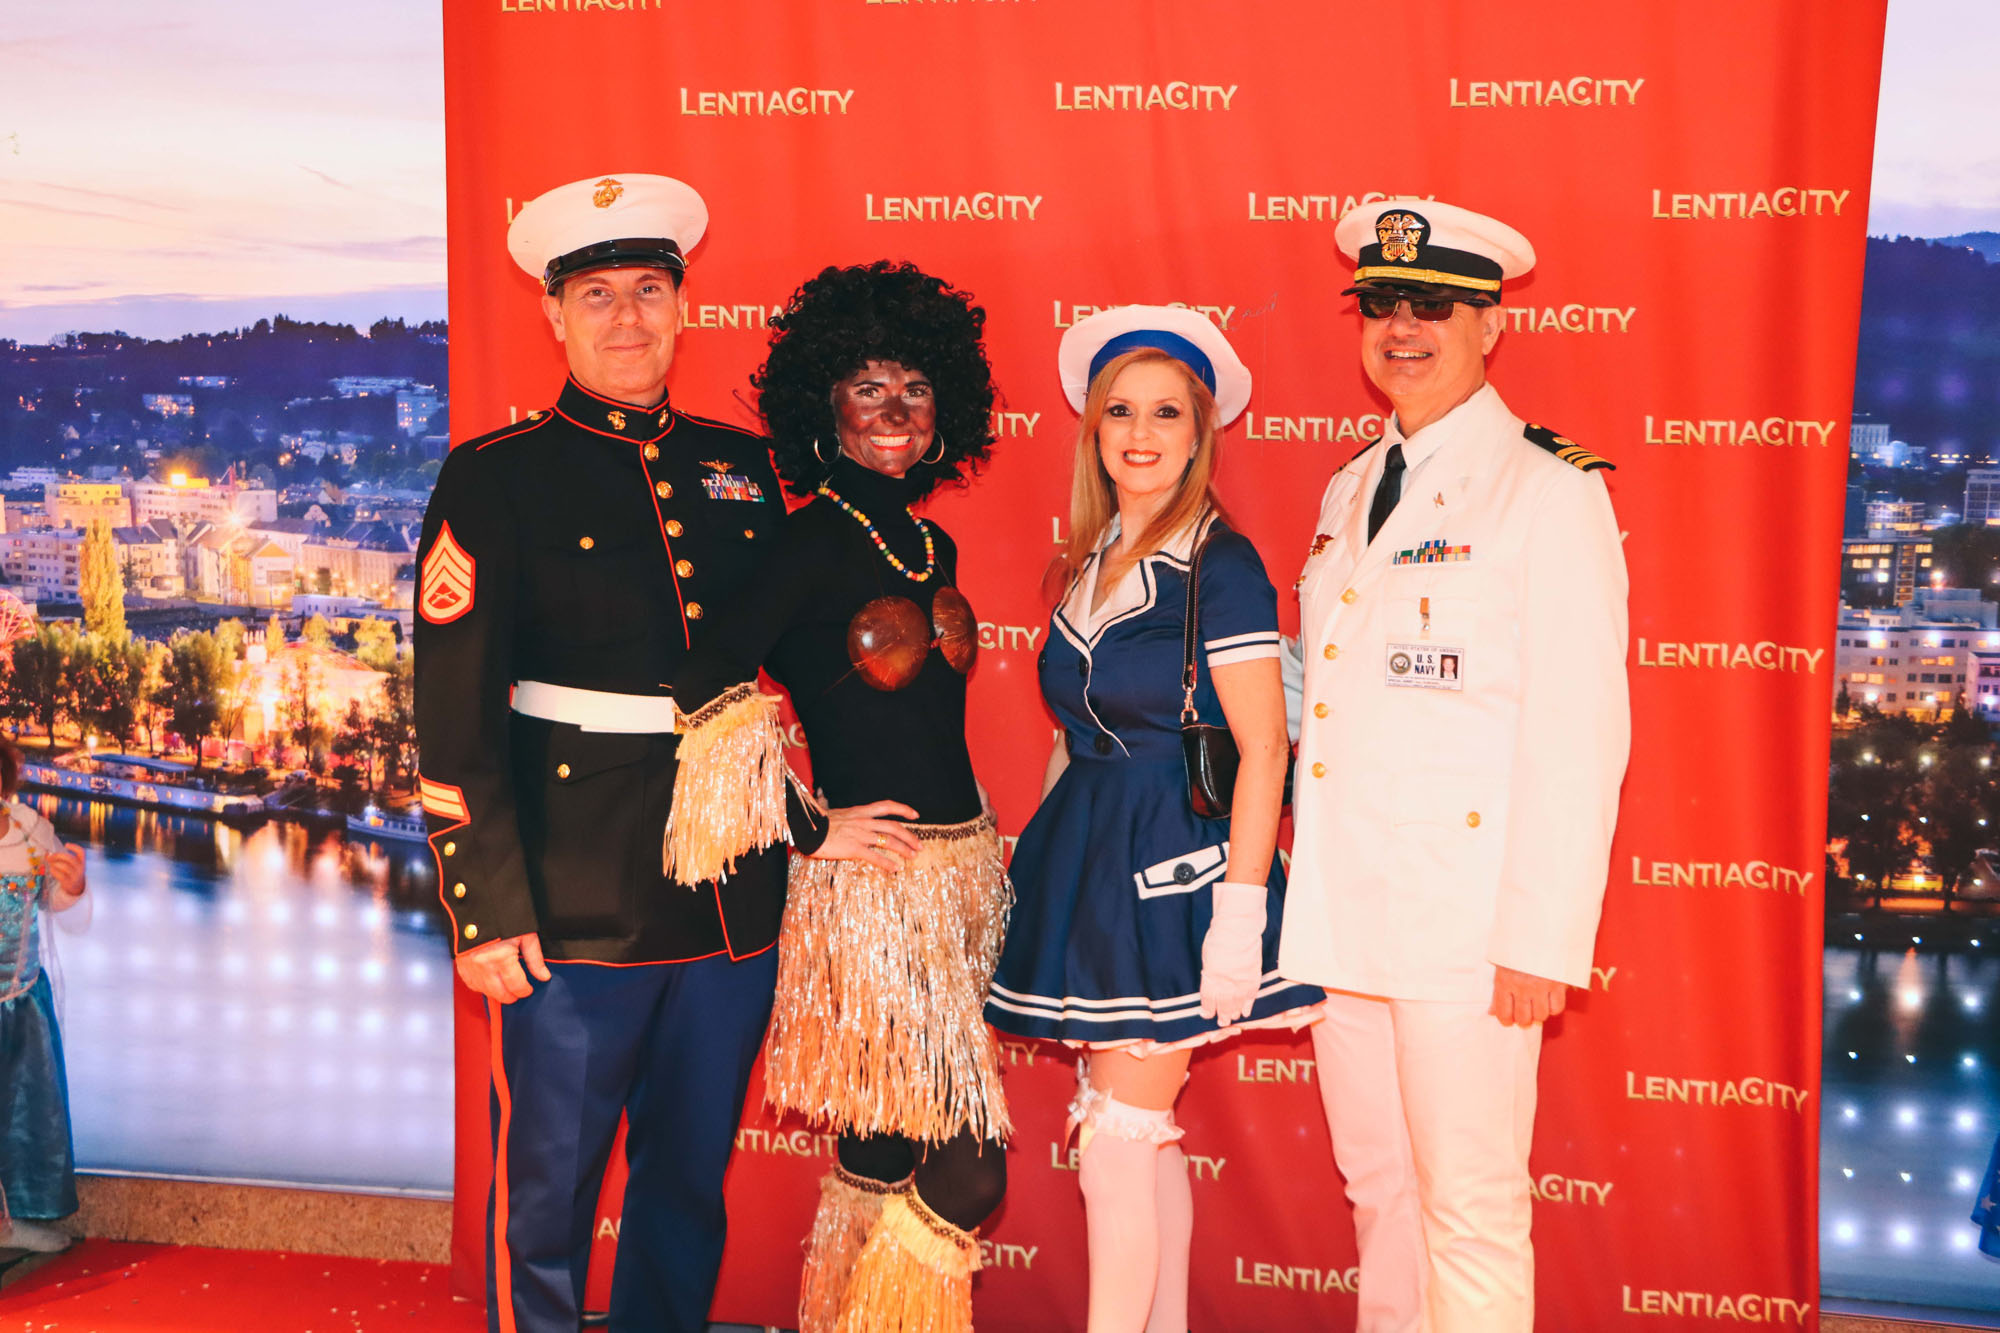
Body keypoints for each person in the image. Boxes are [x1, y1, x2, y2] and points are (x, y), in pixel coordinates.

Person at [414, 173, 799, 1333]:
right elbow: (454, 707)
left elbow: (785, 653)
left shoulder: (742, 465)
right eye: (596, 295)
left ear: (684, 306)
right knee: (547, 1195)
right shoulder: (496, 474)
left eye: (647, 290)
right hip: (570, 896)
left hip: (728, 889)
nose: (625, 316)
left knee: (686, 1183)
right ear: (554, 314)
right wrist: (484, 906)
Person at [1281, 200, 1630, 1333]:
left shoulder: (1549, 488)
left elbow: (1581, 730)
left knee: (1468, 1210)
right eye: (1381, 303)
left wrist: (1540, 936)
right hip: (1345, 911)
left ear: (1492, 324)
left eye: (1432, 305)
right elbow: (1334, 691)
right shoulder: (1350, 485)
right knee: (1379, 1193)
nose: (1402, 327)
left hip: (1467, 928)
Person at [662, 261, 1009, 1333]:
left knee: (885, 1147)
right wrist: (811, 824)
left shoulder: (930, 541)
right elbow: (702, 676)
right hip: (877, 892)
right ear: (826, 406)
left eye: (915, 388)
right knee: (971, 1166)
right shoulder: (808, 540)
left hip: (958, 884)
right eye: (869, 388)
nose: (896, 413)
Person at [982, 306, 1324, 1333]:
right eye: (1119, 410)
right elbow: (1071, 736)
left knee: (1117, 1144)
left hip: (1179, 871)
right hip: (1088, 865)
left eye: (1166, 412)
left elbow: (1263, 746)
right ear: (1091, 427)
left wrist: (1239, 914)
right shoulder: (1087, 558)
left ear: (1200, 429)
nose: (1140, 432)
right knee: (1133, 1132)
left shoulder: (1221, 565)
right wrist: (1038, 875)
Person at [0, 740, 90, 1260]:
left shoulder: (32, 833)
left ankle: (7, 1223)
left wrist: (73, 888)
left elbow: (56, 904)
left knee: (18, 1117)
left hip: (20, 1003)